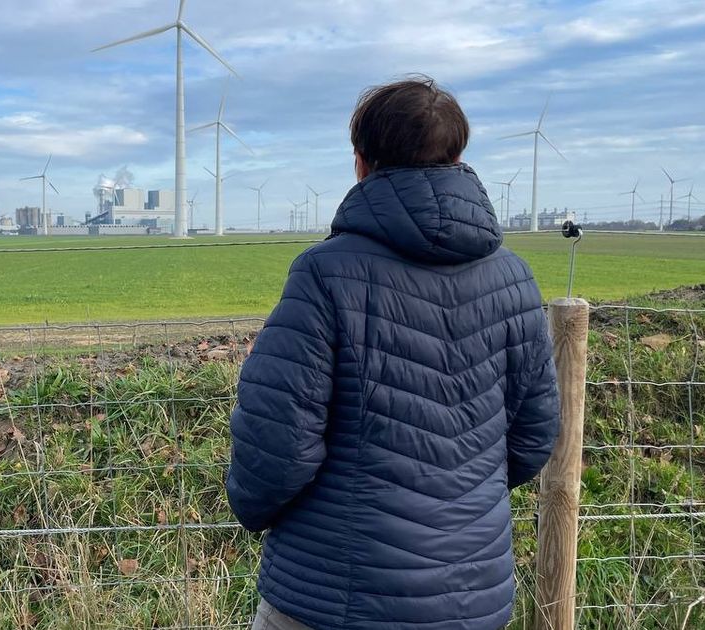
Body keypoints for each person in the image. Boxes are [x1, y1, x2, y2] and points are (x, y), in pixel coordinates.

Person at [226, 76, 561, 630]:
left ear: (361, 163)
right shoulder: (515, 278)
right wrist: (461, 501)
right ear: (458, 159)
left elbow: (277, 441)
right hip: (472, 598)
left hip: (334, 597)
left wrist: (252, 507)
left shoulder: (325, 273)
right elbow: (534, 434)